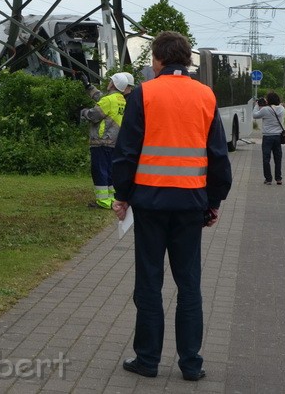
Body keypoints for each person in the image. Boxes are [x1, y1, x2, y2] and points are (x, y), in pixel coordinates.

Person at [111, 31, 232, 382]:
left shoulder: (145, 93)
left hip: (149, 202)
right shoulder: (206, 95)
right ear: (186, 59)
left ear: (159, 59)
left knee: (149, 281)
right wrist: (213, 202)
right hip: (191, 203)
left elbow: (127, 151)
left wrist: (122, 195)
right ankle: (191, 364)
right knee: (189, 283)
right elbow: (218, 156)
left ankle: (147, 359)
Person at [80, 72, 134, 209]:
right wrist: (88, 86)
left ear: (113, 84)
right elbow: (102, 99)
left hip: (101, 141)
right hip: (114, 142)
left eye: (110, 81)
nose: (108, 83)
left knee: (99, 171)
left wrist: (83, 111)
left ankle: (103, 202)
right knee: (109, 172)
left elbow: (94, 115)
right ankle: (110, 199)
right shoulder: (121, 100)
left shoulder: (109, 100)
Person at [253, 91, 285, 185]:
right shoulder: (282, 109)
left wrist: (257, 105)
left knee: (266, 158)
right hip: (278, 137)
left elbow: (255, 115)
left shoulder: (265, 110)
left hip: (267, 137)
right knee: (278, 158)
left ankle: (268, 179)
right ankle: (278, 178)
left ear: (269, 100)